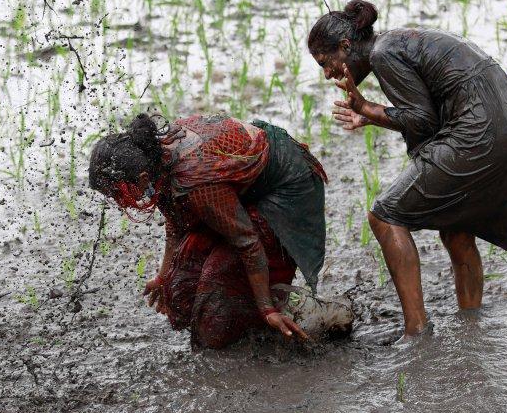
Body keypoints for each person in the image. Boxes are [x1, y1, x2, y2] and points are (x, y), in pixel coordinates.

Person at [309, 0, 507, 340]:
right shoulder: (396, 42)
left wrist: (366, 106)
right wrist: (370, 115)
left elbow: (423, 120)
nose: (328, 74)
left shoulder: (383, 55)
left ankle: (416, 331)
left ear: (345, 46)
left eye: (327, 62)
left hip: (479, 132)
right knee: (457, 226)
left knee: (384, 216)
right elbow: (430, 118)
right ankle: (471, 325)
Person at [89, 114, 328, 349]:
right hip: (242, 191)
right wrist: (163, 277)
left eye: (116, 194)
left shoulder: (196, 183)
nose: (117, 201)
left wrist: (266, 308)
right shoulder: (156, 160)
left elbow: (248, 242)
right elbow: (176, 225)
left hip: (287, 191)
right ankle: (246, 317)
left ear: (141, 178)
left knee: (218, 287)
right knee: (179, 285)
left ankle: (263, 320)